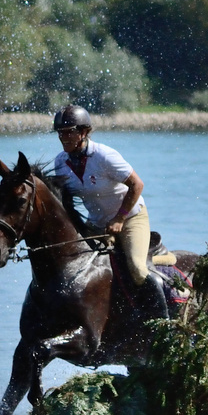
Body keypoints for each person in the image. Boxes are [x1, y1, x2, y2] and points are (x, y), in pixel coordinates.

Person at [50, 105, 168, 321]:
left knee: (137, 269)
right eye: (60, 133)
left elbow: (137, 185)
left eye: (69, 132)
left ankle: (164, 322)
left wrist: (120, 218)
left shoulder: (104, 156)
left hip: (130, 217)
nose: (63, 137)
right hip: (98, 223)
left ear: (84, 132)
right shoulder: (60, 162)